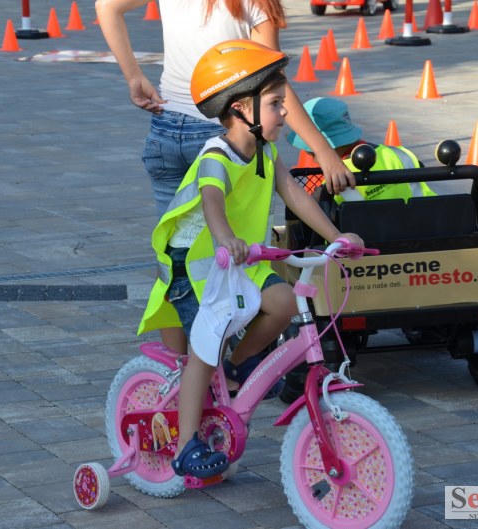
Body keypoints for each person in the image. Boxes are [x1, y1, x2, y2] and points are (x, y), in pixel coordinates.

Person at [137, 40, 364, 479]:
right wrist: (226, 238)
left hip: (238, 259)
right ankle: (185, 446)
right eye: (276, 104)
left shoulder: (266, 152)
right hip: (196, 266)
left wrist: (336, 237)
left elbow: (294, 193)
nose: (285, 112)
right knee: (205, 350)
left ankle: (240, 365)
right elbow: (212, 201)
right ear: (242, 109)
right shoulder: (216, 155)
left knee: (284, 303)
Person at [95, 0, 356, 354]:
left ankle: (178, 366)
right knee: (225, 267)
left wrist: (134, 76)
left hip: (166, 130)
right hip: (222, 131)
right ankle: (214, 368)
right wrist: (322, 150)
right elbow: (269, 81)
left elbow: (106, 6)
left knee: (176, 256)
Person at [287, 97, 436, 202]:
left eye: (311, 151)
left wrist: (317, 199)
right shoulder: (400, 154)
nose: (313, 158)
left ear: (328, 144)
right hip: (421, 231)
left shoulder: (336, 181)